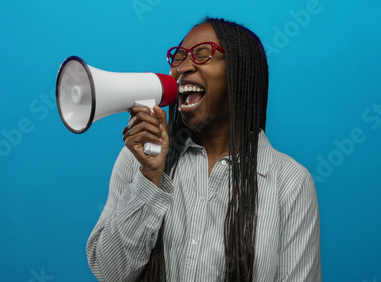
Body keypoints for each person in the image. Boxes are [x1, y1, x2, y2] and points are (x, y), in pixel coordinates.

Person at [87, 17, 321, 281]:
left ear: (239, 70)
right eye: (179, 57)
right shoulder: (139, 158)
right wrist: (149, 178)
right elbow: (109, 274)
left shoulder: (290, 183)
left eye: (202, 54)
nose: (184, 67)